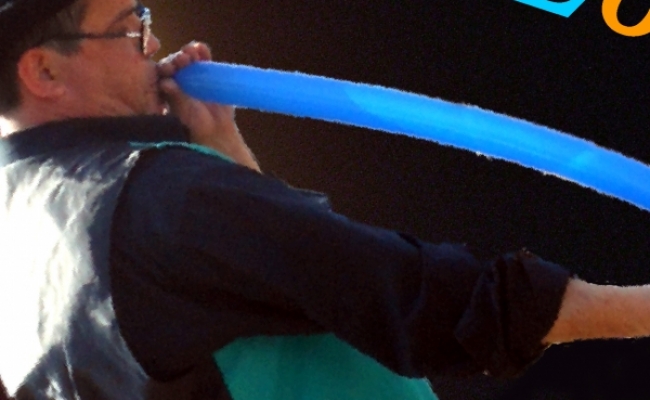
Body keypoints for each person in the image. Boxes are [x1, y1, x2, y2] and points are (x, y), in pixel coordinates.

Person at [0, 0, 649, 399]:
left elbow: (248, 294)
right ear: (44, 71)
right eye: (130, 29)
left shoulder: (16, 233)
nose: (153, 48)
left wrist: (223, 147)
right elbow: (422, 298)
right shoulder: (165, 193)